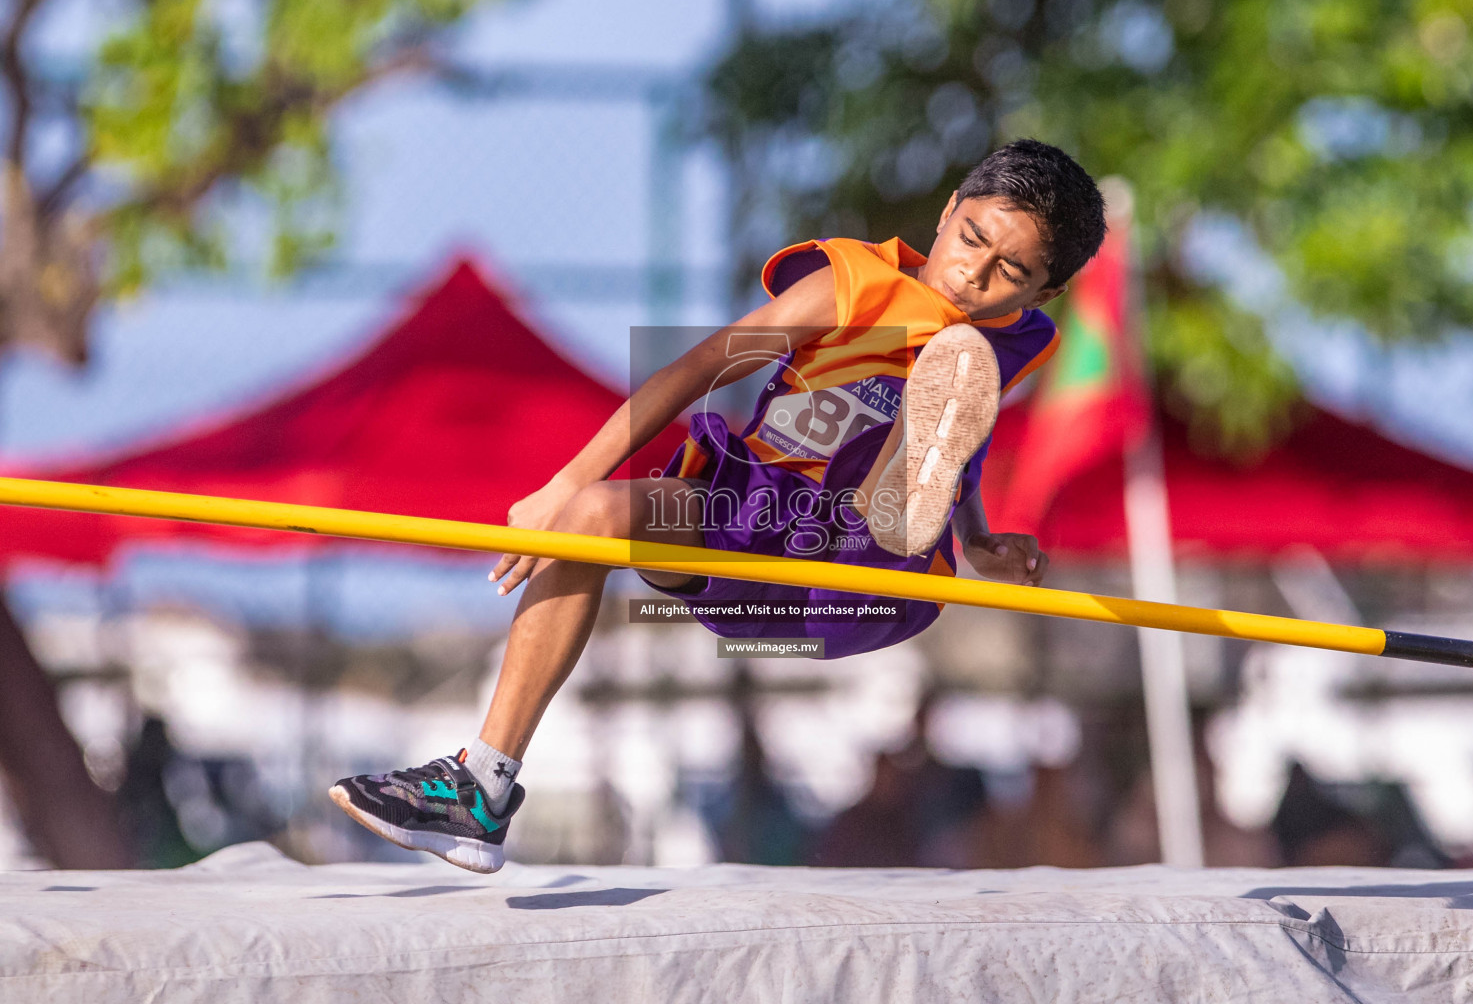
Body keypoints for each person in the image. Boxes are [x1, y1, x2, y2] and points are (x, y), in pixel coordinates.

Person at [329, 139, 1108, 873]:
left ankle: (896, 514)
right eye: (971, 238)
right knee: (601, 515)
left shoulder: (1012, 343)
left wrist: (976, 539)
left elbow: (956, 447)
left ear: (1047, 291)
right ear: (946, 211)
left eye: (1010, 271)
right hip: (752, 530)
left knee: (955, 369)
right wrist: (567, 486)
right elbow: (699, 368)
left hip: (857, 577)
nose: (974, 274)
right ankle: (482, 786)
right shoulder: (855, 282)